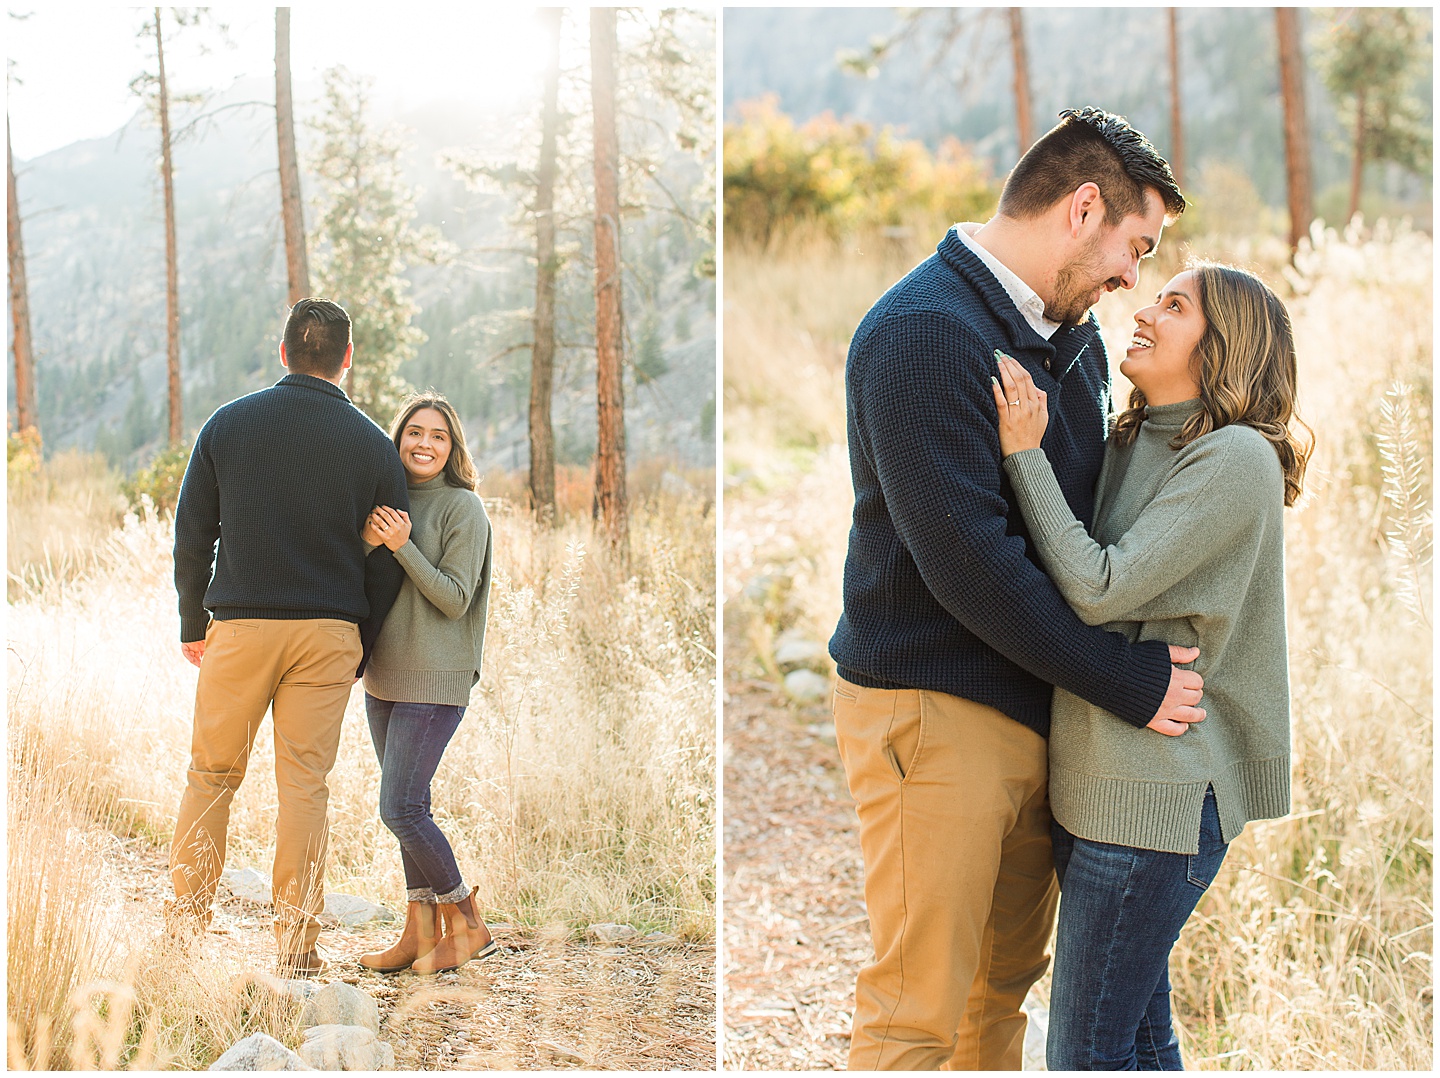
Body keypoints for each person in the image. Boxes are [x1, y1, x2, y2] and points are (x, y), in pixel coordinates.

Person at [828, 107, 1201, 1070]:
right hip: (935, 704)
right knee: (919, 1008)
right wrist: (1129, 681)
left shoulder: (1064, 336)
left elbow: (1084, 521)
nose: (1134, 277)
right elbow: (973, 571)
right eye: (1135, 245)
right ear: (1083, 208)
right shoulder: (921, 332)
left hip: (1041, 707)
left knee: (996, 1000)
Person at [991, 262, 1310, 1070]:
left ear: (1225, 343)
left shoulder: (1237, 458)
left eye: (1174, 305)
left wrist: (1024, 455)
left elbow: (1097, 588)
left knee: (1085, 1055)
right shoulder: (1136, 436)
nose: (1145, 311)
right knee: (1134, 1040)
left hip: (1158, 800)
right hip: (1099, 782)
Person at [170, 298, 408, 977]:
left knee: (211, 775)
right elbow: (389, 553)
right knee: (305, 787)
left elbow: (193, 532)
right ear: (347, 359)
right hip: (329, 634)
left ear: (283, 353)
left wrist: (193, 622)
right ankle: (297, 945)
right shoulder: (371, 444)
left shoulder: (229, 424)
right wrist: (360, 634)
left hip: (241, 630)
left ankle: (186, 928)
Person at [355, 391, 496, 975]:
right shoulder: (385, 504)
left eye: (438, 435)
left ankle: (467, 921)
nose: (425, 444)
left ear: (452, 446)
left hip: (435, 679)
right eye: (415, 432)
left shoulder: (465, 510)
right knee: (411, 806)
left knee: (402, 808)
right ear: (399, 437)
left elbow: (454, 598)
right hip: (384, 676)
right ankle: (418, 930)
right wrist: (370, 542)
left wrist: (401, 546)